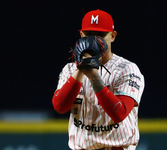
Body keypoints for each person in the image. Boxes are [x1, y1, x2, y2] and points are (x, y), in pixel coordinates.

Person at [52, 9, 145, 150]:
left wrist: (94, 77)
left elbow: (119, 113)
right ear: (81, 35)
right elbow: (60, 106)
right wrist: (80, 70)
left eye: (101, 35)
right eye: (89, 35)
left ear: (113, 36)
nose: (94, 40)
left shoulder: (127, 69)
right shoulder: (70, 69)